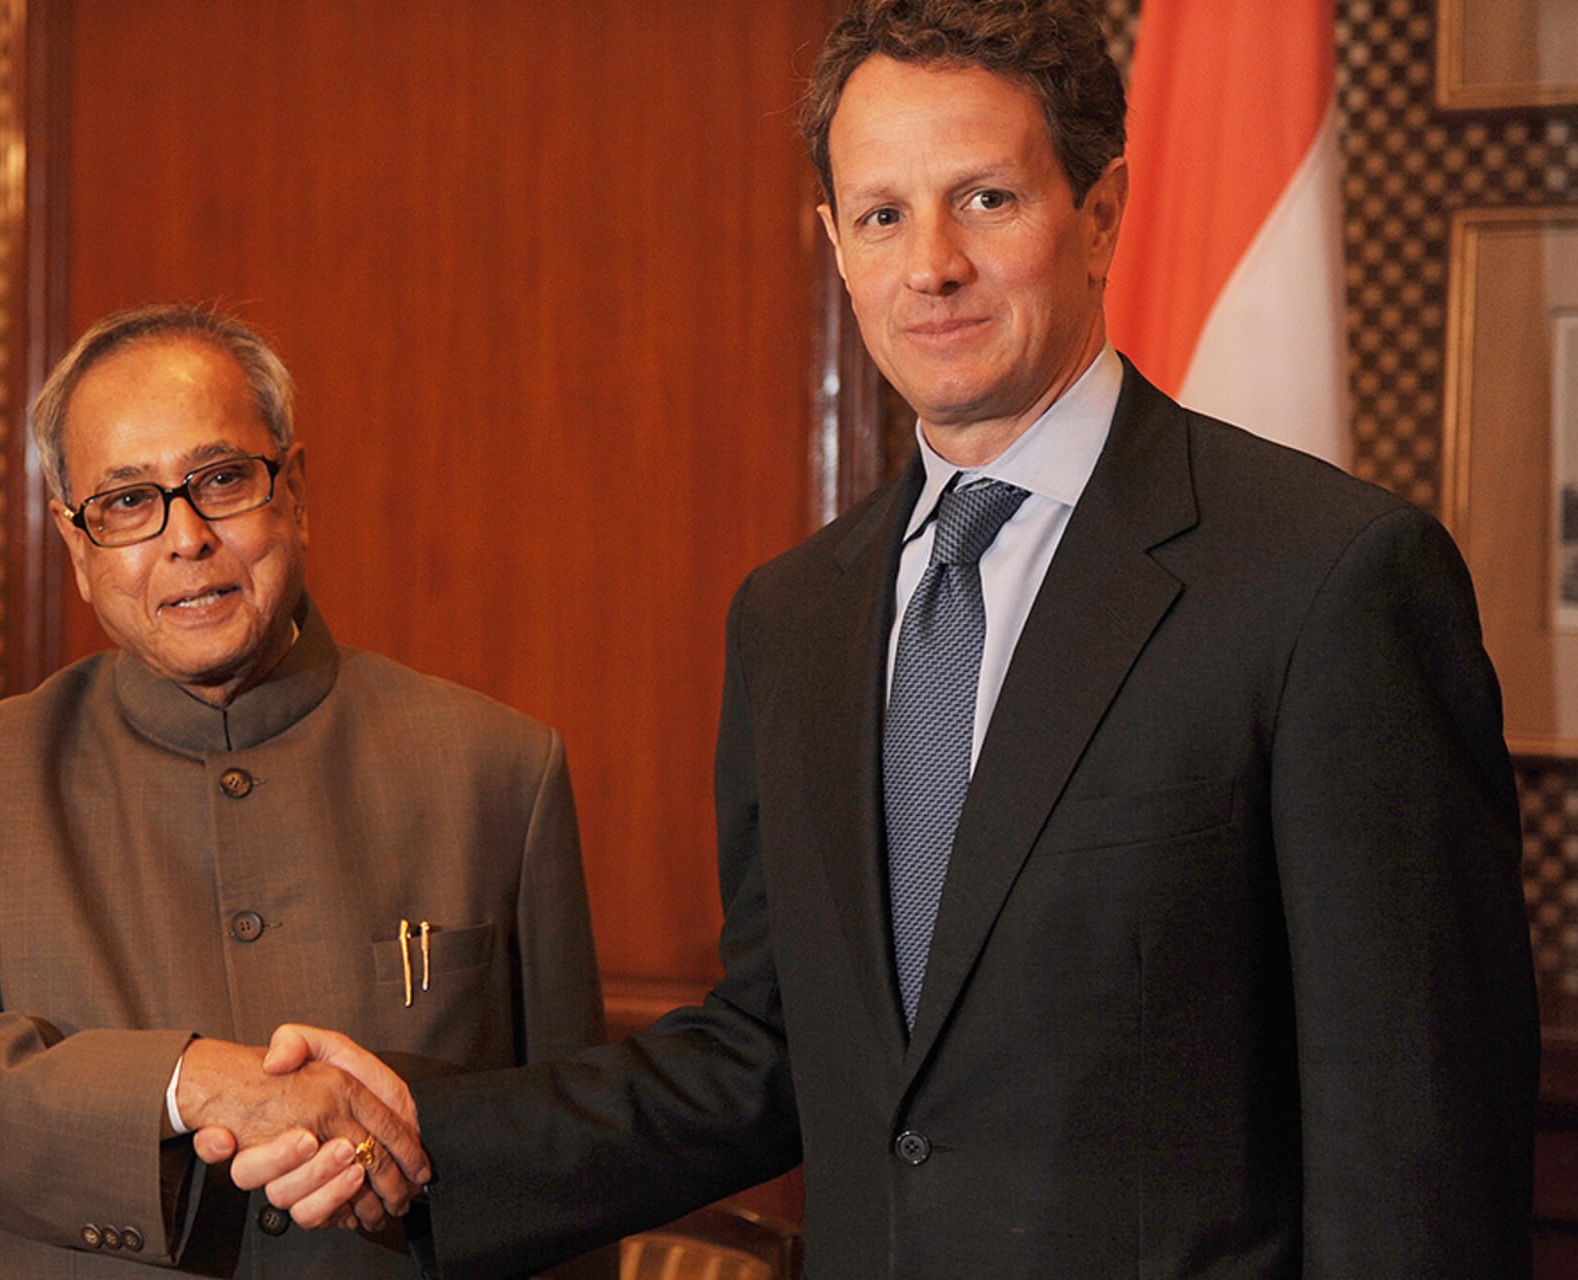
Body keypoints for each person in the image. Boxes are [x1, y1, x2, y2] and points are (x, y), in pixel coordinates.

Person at [206, 0, 1543, 1276]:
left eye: (988, 199)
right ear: (835, 242)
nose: (932, 265)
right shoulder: (795, 619)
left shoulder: (1327, 579)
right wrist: (415, 1132)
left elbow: (1413, 1139)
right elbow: (776, 1050)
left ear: (1103, 216)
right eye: (883, 214)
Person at [0, 302, 608, 1278]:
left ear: (292, 488)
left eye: (221, 480)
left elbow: (578, 1163)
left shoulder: (499, 766)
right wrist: (186, 1081)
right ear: (76, 545)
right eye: (126, 501)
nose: (186, 537)